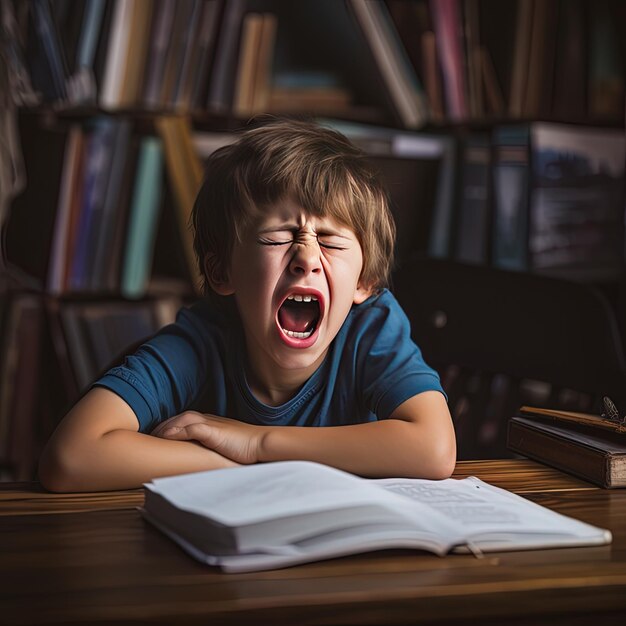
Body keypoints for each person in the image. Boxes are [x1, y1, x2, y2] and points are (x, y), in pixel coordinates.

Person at [39, 119, 456, 492]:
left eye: (329, 240)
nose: (307, 257)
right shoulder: (201, 341)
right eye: (278, 236)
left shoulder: (372, 327)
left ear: (364, 280)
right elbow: (71, 456)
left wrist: (257, 444)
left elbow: (434, 449)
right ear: (223, 273)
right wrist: (240, 464)